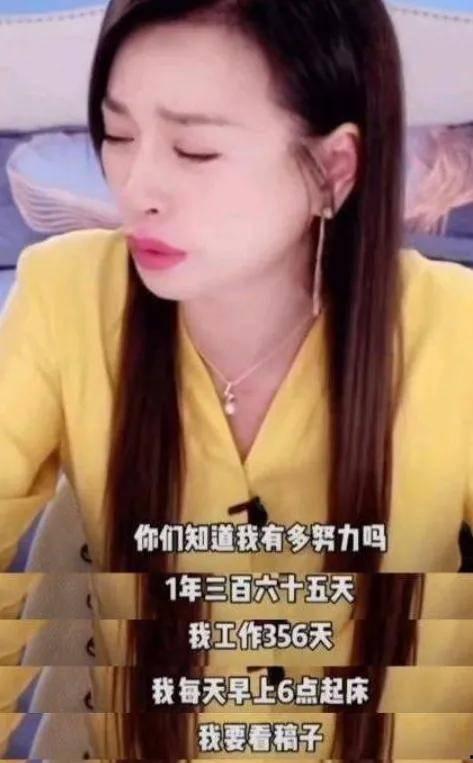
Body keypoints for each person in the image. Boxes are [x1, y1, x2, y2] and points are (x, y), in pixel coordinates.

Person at [1, 0, 473, 759]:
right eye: (118, 136)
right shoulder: (65, 295)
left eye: (194, 150)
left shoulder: (452, 327)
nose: (137, 187)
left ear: (333, 168)